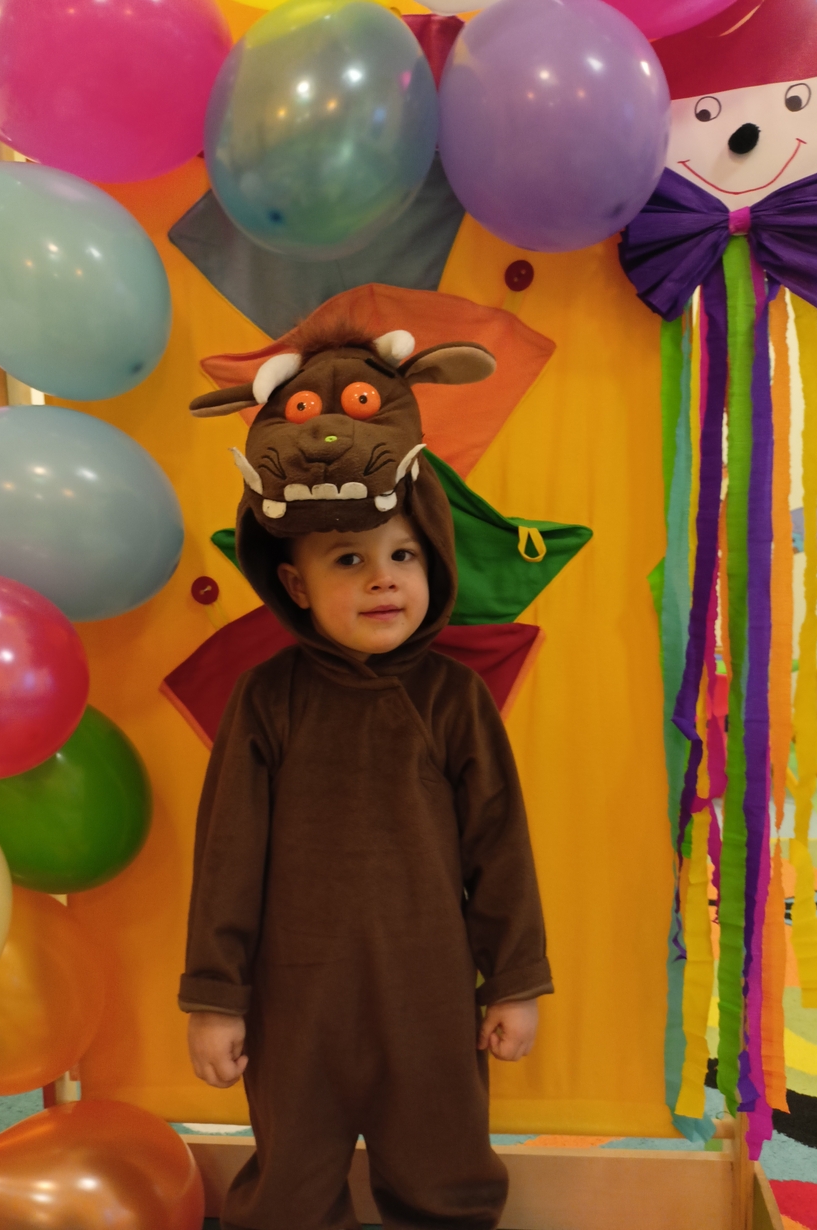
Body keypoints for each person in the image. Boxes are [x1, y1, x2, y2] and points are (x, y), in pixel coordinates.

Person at [179, 326, 552, 1230]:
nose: (383, 580)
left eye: (402, 556)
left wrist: (512, 980)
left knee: (442, 1167)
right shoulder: (267, 698)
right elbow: (226, 858)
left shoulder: (453, 698)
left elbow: (499, 849)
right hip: (294, 999)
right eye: (349, 560)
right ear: (296, 584)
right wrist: (216, 1000)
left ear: (432, 563)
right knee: (290, 1182)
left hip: (426, 991)